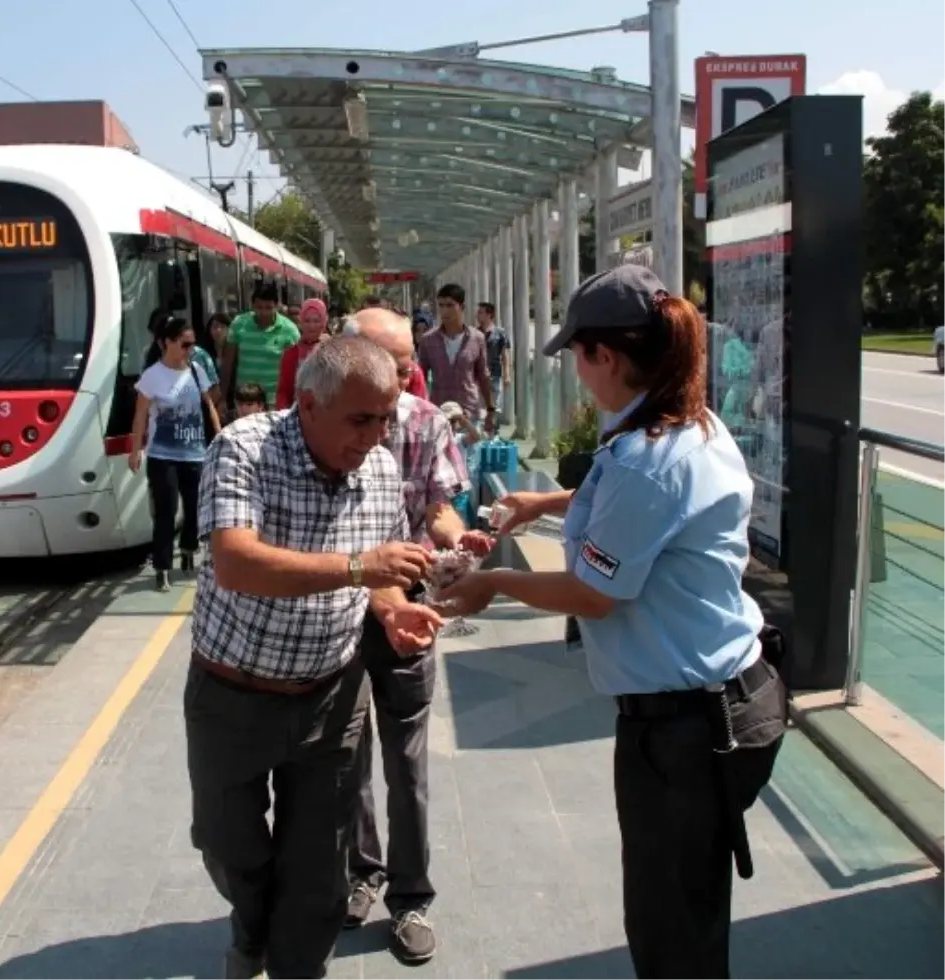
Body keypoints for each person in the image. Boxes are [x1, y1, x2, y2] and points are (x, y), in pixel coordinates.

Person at [438, 264, 787, 980]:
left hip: (685, 733)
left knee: (670, 934)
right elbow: (634, 509)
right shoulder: (685, 423)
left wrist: (492, 583)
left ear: (609, 357)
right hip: (729, 704)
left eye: (577, 354)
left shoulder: (647, 460)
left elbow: (598, 594)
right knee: (689, 910)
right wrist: (543, 506)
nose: (574, 370)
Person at [187, 335, 444, 980]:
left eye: (386, 418)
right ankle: (251, 926)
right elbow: (237, 561)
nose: (376, 435)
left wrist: (392, 608)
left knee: (320, 867)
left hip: (331, 698)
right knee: (227, 843)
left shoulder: (380, 469)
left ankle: (296, 963)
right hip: (232, 696)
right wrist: (362, 568)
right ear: (307, 405)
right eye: (361, 419)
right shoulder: (243, 449)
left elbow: (378, 571)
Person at [340, 310, 490, 963]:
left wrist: (461, 538)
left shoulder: (425, 421)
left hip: (410, 608)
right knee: (343, 754)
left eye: (407, 365)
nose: (405, 378)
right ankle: (358, 872)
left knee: (406, 760)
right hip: (340, 604)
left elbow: (438, 507)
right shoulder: (321, 417)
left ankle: (410, 897)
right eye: (392, 364)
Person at [129, 316, 221, 591]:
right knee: (166, 512)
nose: (189, 349)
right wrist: (135, 451)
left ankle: (189, 547)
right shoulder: (151, 376)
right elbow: (140, 416)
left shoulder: (195, 370)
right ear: (166, 343)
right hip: (162, 455)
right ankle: (162, 566)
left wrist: (219, 435)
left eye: (192, 344)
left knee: (195, 509)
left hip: (195, 454)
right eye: (184, 344)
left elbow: (208, 405)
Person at [416, 283, 498, 433]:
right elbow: (419, 376)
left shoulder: (477, 338)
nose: (444, 311)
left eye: (450, 305)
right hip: (439, 411)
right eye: (441, 305)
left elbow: (483, 375)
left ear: (462, 307)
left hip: (469, 412)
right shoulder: (428, 340)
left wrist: (490, 409)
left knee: (469, 454)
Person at [220, 281, 299, 410]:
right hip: (244, 402)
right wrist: (222, 398)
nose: (263, 312)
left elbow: (295, 369)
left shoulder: (289, 330)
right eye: (259, 307)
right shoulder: (239, 324)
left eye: (268, 308)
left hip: (275, 403)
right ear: (252, 306)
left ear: (277, 306)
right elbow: (228, 363)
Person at [275, 298, 329, 409]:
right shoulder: (291, 353)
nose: (311, 326)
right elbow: (284, 391)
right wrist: (285, 413)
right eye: (307, 321)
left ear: (323, 323)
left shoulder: (332, 351)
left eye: (316, 321)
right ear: (301, 322)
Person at [476, 301, 511, 417]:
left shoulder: (500, 333)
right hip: (478, 376)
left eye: (481, 312)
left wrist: (507, 375)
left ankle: (492, 432)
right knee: (480, 408)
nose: (477, 314)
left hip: (494, 375)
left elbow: (505, 355)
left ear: (489, 315)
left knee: (495, 407)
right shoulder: (475, 333)